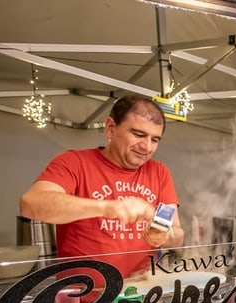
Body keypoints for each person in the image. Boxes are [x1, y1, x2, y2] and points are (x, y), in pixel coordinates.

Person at [19, 94, 184, 278]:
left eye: (155, 140)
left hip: (143, 293)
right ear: (110, 128)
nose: (146, 146)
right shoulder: (74, 162)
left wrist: (164, 235)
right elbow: (30, 204)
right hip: (83, 297)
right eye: (138, 134)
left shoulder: (159, 172)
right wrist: (108, 207)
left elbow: (177, 234)